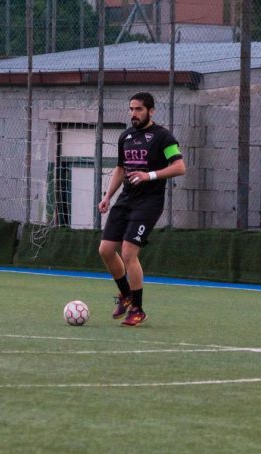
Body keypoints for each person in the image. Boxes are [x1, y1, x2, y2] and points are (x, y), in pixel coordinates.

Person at [98, 92, 186, 327]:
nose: (133, 114)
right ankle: (125, 294)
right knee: (106, 250)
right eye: (131, 109)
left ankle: (137, 309)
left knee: (128, 252)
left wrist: (150, 175)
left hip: (149, 202)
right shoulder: (125, 137)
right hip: (125, 199)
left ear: (151, 111)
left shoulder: (164, 137)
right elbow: (120, 168)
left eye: (138, 109)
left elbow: (179, 167)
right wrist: (108, 196)